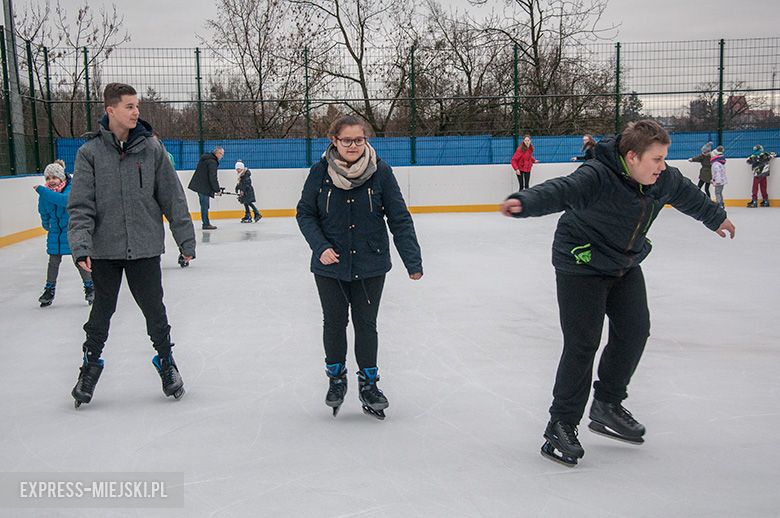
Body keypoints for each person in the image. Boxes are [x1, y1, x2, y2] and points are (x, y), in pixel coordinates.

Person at [500, 120, 735, 467]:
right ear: (632, 157)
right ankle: (561, 423)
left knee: (635, 330)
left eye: (664, 158)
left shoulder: (663, 179)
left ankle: (607, 404)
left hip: (623, 263)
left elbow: (687, 194)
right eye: (656, 159)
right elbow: (562, 190)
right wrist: (524, 200)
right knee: (583, 343)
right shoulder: (597, 175)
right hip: (580, 262)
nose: (662, 166)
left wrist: (715, 218)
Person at [67, 82, 196, 408]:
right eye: (129, 106)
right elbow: (80, 206)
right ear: (110, 110)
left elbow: (173, 197)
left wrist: (185, 239)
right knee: (101, 312)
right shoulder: (89, 153)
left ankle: (166, 362)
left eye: (137, 106)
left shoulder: (152, 149)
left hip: (144, 247)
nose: (136, 112)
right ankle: (89, 367)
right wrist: (81, 246)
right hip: (105, 249)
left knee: (154, 310)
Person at [296, 115, 423, 420]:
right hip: (330, 265)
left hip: (371, 263)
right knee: (334, 322)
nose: (353, 145)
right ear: (334, 141)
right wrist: (320, 246)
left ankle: (369, 385)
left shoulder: (381, 171)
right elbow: (305, 213)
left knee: (366, 324)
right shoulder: (320, 172)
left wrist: (412, 260)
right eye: (347, 140)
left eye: (359, 139)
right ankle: (336, 379)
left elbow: (399, 217)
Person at [33, 160, 93, 307]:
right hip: (55, 232)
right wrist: (46, 224)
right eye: (48, 178)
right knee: (53, 263)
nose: (51, 181)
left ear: (62, 178)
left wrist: (42, 190)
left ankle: (90, 287)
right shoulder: (46, 193)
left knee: (79, 260)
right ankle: (49, 290)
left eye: (54, 177)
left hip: (72, 231)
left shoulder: (69, 189)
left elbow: (64, 201)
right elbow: (43, 211)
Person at [188, 145, 224, 229]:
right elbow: (212, 177)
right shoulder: (212, 162)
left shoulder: (207, 158)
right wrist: (217, 190)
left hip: (201, 185)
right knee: (205, 205)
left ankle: (206, 222)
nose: (222, 156)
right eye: (221, 154)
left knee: (205, 205)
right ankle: (205, 224)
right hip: (203, 187)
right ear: (217, 153)